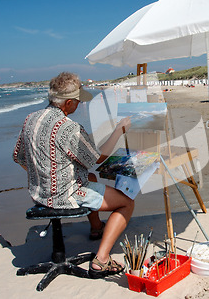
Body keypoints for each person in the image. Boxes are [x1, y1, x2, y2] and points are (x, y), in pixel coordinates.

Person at [13, 72, 134, 279]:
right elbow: (96, 159)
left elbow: (19, 157)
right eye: (77, 101)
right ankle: (102, 260)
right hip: (65, 196)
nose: (78, 104)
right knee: (127, 203)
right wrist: (118, 130)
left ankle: (96, 228)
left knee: (91, 178)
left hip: (38, 194)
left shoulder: (30, 119)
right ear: (67, 103)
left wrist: (43, 176)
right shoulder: (69, 128)